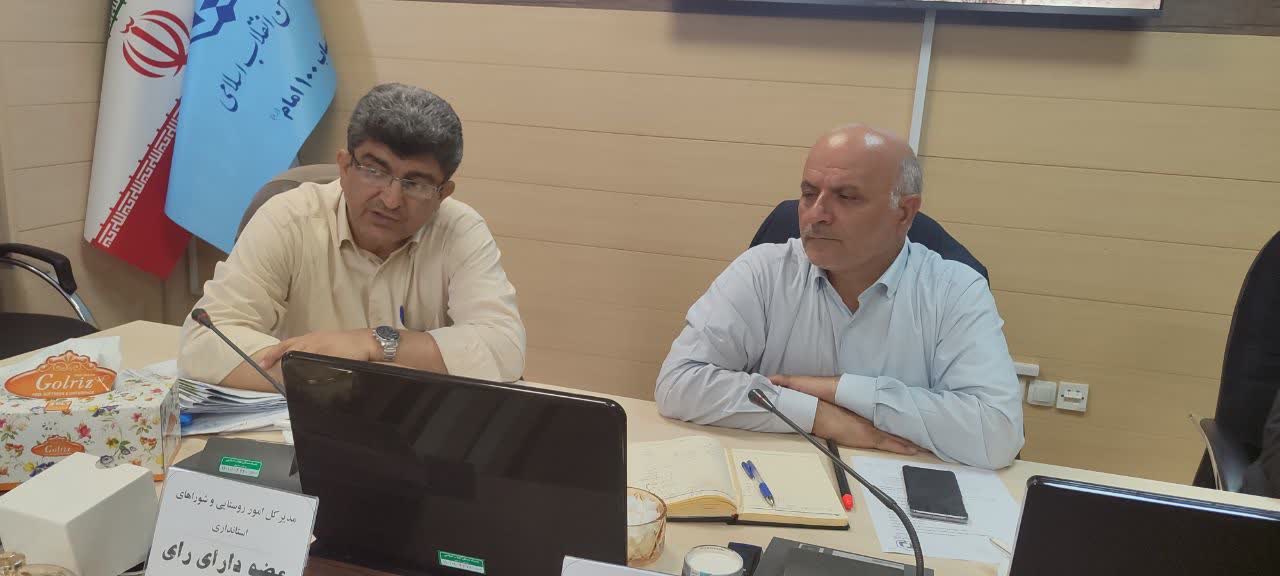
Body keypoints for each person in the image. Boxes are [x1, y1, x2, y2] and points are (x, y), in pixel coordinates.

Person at [656, 124, 1023, 469]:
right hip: (776, 474)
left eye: (846, 197)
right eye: (808, 194)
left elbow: (998, 432)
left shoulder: (954, 290)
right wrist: (820, 416)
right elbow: (678, 383)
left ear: (904, 213)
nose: (816, 214)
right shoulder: (763, 271)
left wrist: (841, 390)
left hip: (896, 485)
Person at [178, 83, 525, 390]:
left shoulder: (460, 230)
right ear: (344, 167)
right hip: (300, 417)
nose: (391, 199)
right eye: (375, 171)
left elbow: (504, 347)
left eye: (415, 183)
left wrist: (373, 344)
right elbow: (205, 341)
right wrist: (332, 375)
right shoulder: (289, 218)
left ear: (442, 194)